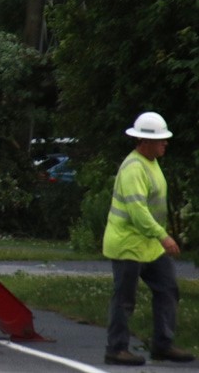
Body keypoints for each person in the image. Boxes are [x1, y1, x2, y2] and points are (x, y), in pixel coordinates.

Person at [102, 112, 194, 366]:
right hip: (128, 243)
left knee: (167, 289)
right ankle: (116, 349)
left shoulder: (150, 162)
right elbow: (138, 211)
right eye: (161, 140)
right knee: (124, 299)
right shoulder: (133, 168)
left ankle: (162, 344)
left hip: (148, 246)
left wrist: (157, 238)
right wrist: (163, 236)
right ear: (143, 141)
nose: (165, 143)